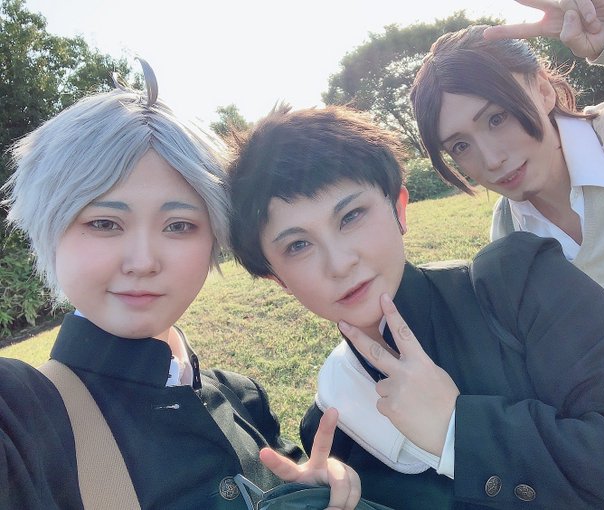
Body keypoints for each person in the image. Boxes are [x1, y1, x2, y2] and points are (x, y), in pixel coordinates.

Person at [226, 104, 604, 509]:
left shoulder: (519, 284)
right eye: (298, 245)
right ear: (276, 277)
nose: (340, 262)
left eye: (351, 216)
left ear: (399, 208)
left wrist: (459, 432)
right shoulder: (332, 426)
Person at [0, 61, 362, 510]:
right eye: (104, 223)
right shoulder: (19, 415)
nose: (143, 262)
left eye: (178, 225)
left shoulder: (242, 397)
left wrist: (309, 490)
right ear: (49, 231)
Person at [409, 0, 604, 342]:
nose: (491, 160)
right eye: (460, 146)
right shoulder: (509, 236)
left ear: (543, 90)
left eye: (497, 118)